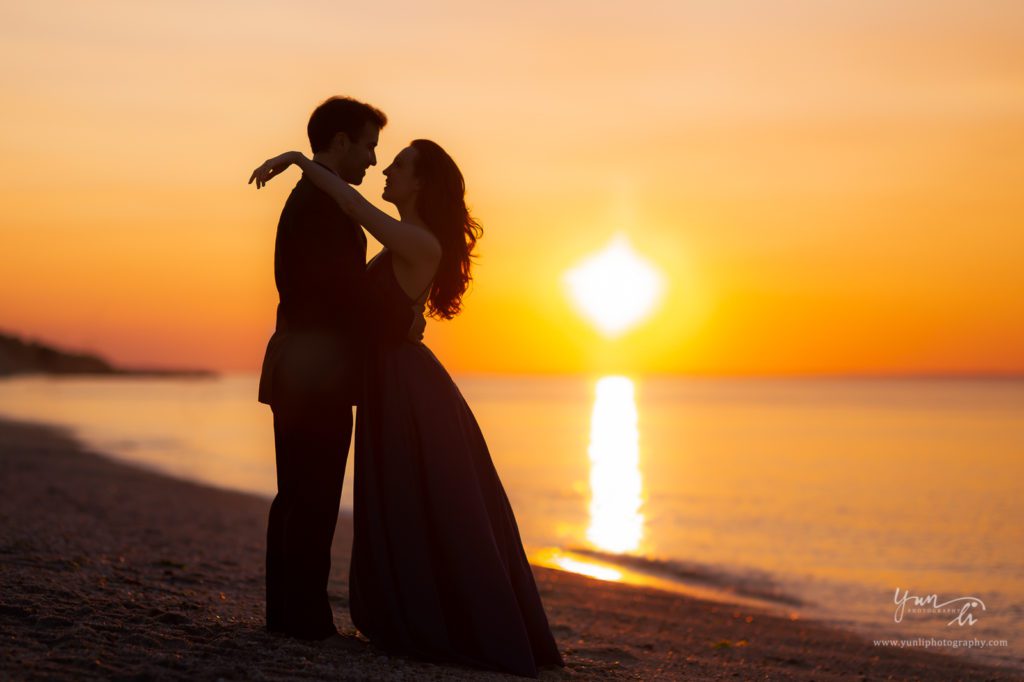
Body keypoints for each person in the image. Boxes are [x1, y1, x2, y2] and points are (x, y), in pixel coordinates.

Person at [250, 140, 564, 677]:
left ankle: (453, 622)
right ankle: (407, 612)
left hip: (409, 389)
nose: (385, 170)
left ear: (420, 184)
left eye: (398, 165)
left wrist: (302, 163)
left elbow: (354, 207)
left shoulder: (419, 241)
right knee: (402, 501)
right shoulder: (408, 241)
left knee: (429, 502)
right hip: (388, 383)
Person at [255, 97, 422, 642]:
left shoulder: (318, 197)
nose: (374, 161)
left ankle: (290, 613)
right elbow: (338, 294)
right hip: (312, 369)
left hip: (303, 364)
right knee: (312, 494)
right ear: (342, 141)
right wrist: (399, 325)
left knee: (300, 493)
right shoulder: (322, 205)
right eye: (370, 145)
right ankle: (300, 619)